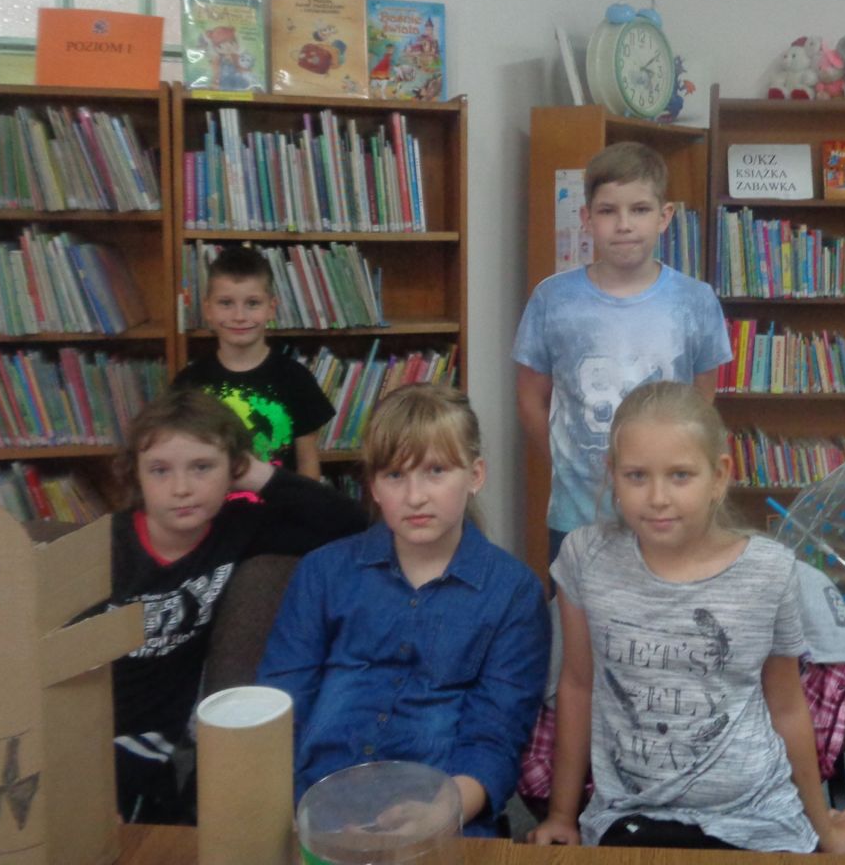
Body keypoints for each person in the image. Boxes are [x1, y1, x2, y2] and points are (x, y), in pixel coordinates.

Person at [529, 382, 845, 853]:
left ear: (718, 476)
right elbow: (577, 686)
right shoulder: (584, 558)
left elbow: (786, 705)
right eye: (636, 476)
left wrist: (821, 828)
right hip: (632, 813)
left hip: (757, 812)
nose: (657, 497)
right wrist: (561, 814)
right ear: (611, 474)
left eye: (680, 475)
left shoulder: (770, 571)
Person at [258, 384, 550, 837]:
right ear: (374, 486)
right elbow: (281, 708)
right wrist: (301, 813)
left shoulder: (514, 593)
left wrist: (442, 813)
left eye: (436, 471)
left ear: (475, 475)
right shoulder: (322, 573)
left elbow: (496, 735)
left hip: (444, 810)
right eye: (395, 475)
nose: (415, 496)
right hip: (311, 805)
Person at [103, 388, 366, 824]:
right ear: (136, 475)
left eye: (202, 467)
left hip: (167, 738)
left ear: (234, 468)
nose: (181, 488)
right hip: (98, 729)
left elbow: (349, 523)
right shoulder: (107, 547)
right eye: (160, 470)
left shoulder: (238, 529)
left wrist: (259, 474)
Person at [514, 142, 731, 563]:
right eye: (608, 211)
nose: (624, 224)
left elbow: (702, 399)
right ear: (586, 218)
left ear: (665, 216)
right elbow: (530, 399)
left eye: (640, 209)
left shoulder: (696, 301)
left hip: (667, 511)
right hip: (579, 514)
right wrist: (566, 463)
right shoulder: (552, 299)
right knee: (576, 604)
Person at [172, 246, 332, 478]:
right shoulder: (188, 383)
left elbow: (307, 461)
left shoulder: (296, 379)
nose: (239, 316)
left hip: (278, 501)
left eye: (253, 303)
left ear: (271, 308)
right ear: (208, 310)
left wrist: (306, 502)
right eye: (226, 303)